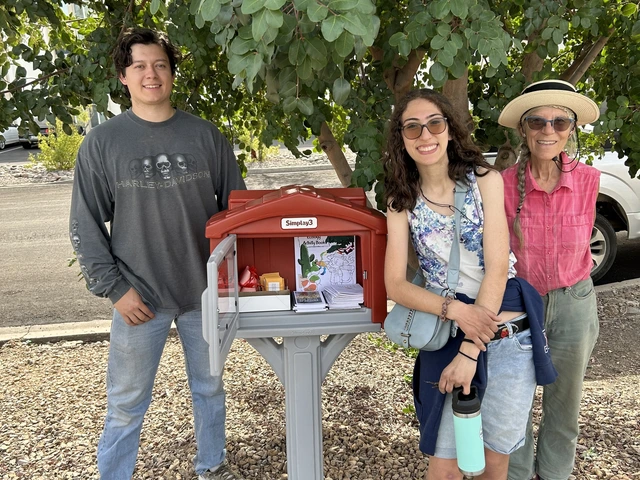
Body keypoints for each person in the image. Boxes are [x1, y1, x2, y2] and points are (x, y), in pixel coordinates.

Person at [69, 27, 246, 480]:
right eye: (140, 66)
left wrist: (227, 285)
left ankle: (212, 466)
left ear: (172, 73)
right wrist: (115, 290)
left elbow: (238, 215)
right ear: (123, 77)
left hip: (202, 294)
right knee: (127, 403)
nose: (152, 74)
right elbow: (85, 224)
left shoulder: (207, 137)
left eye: (161, 65)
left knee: (210, 389)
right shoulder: (102, 143)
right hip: (138, 297)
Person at [383, 88, 556, 480]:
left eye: (434, 124)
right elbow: (394, 283)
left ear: (448, 129)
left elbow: (497, 268)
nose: (425, 136)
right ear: (401, 138)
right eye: (413, 128)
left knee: (492, 464)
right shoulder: (400, 202)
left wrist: (471, 350)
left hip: (508, 336)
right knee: (443, 466)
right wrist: (456, 310)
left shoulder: (485, 181)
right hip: (445, 331)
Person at [500, 79, 601, 480]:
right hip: (518, 306)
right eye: (538, 121)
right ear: (524, 129)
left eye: (560, 122)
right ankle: (519, 474)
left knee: (565, 404)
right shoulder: (502, 184)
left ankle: (556, 473)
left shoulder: (589, 180)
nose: (549, 130)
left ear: (571, 129)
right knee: (513, 404)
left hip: (574, 302)